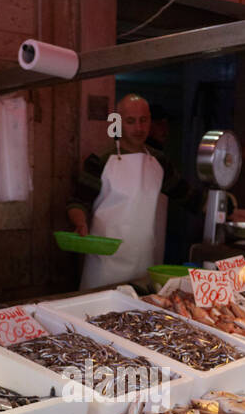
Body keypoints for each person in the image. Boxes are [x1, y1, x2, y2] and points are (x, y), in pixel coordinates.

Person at [66, 94, 199, 290]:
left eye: (143, 120)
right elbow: (77, 202)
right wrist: (80, 222)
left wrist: (227, 210)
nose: (138, 128)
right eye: (131, 121)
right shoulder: (100, 160)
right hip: (105, 265)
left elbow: (188, 196)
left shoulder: (159, 162)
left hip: (143, 262)